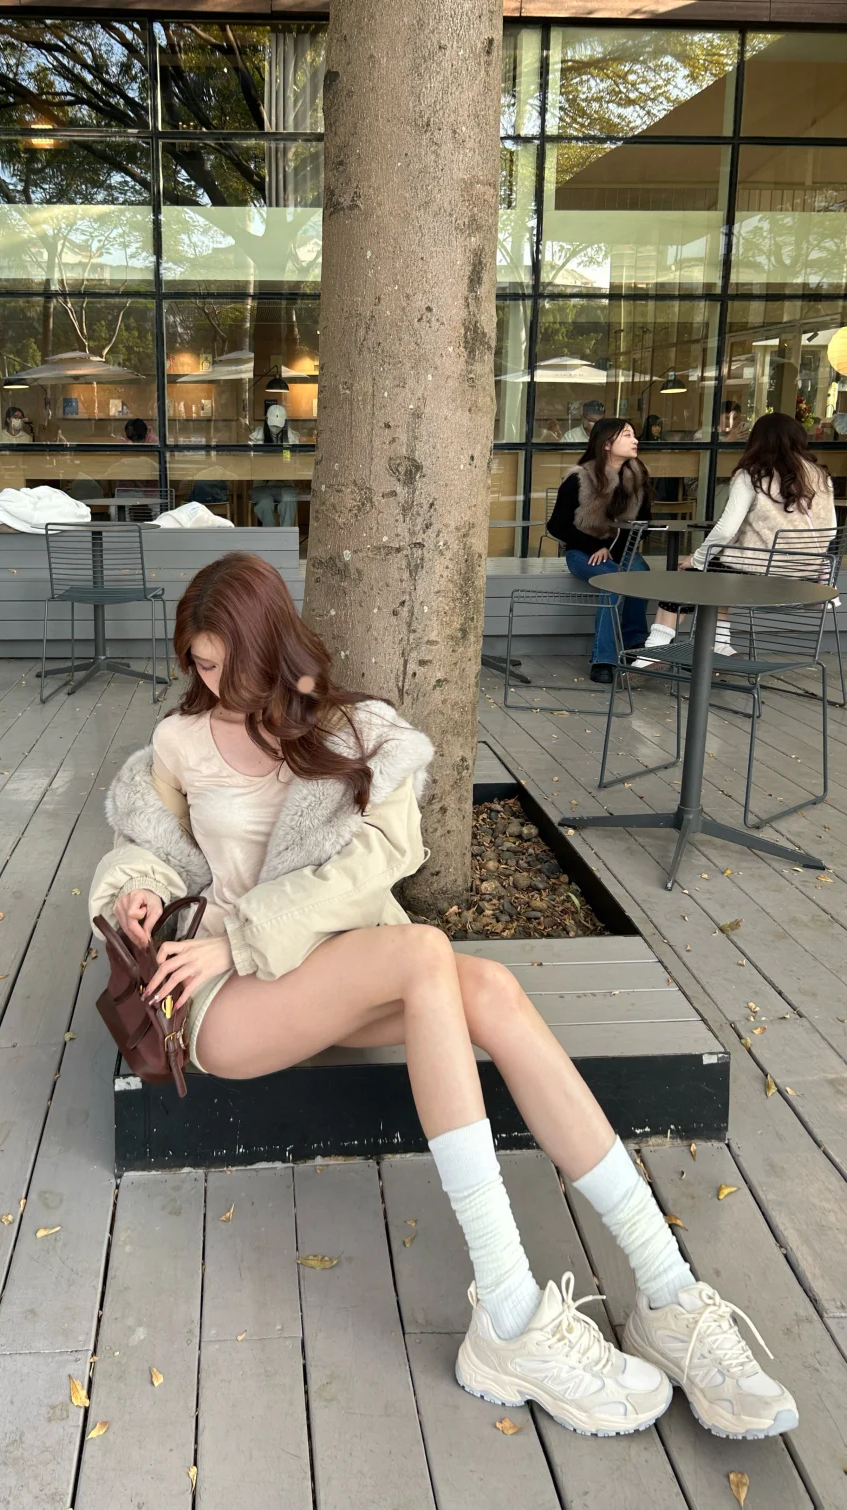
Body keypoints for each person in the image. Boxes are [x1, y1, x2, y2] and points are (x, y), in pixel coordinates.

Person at [89, 552, 797, 1443]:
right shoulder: (179, 741)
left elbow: (377, 865)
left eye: (229, 663)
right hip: (225, 993)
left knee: (489, 987)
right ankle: (509, 1310)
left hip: (320, 961)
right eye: (199, 663)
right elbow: (145, 846)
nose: (214, 683)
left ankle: (669, 1292)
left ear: (271, 644)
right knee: (428, 954)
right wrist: (136, 891)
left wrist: (252, 932)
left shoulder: (355, 731)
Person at [639, 413, 838, 662]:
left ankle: (651, 654)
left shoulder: (753, 475)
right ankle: (721, 646)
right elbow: (831, 530)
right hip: (807, 574)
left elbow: (726, 529)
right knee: (718, 572)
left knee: (687, 578)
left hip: (760, 573)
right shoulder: (821, 476)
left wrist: (696, 559)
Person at [548, 418, 665, 683]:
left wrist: (614, 549)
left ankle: (635, 646)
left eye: (634, 435)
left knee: (640, 575)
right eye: (627, 435)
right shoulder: (580, 477)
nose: (635, 440)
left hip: (621, 550)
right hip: (582, 551)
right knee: (614, 583)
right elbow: (556, 525)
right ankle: (604, 659)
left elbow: (643, 524)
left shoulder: (637, 477)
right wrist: (596, 546)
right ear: (607, 444)